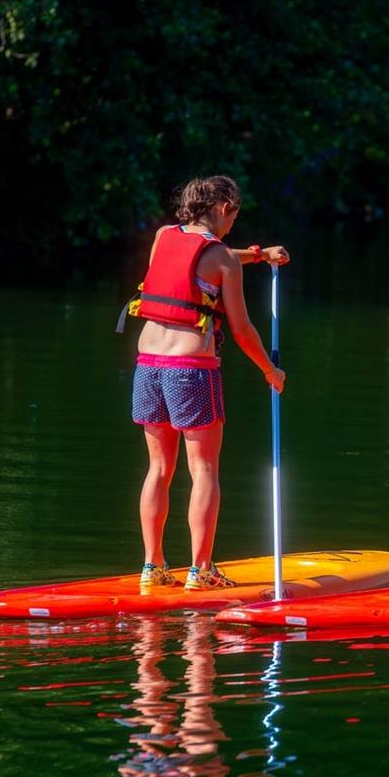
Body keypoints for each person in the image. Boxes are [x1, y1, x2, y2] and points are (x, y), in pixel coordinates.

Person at [126, 175, 287, 591]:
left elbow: (202, 253)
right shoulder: (223, 261)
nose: (233, 223)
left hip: (148, 365)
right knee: (204, 470)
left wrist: (257, 255)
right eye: (234, 215)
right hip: (191, 371)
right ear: (223, 208)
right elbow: (242, 329)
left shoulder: (163, 237)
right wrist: (270, 371)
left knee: (158, 469)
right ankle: (200, 570)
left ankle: (152, 566)